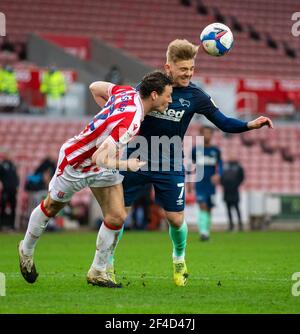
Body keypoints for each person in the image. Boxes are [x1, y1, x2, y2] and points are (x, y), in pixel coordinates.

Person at [111, 39, 273, 287]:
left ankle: (179, 259)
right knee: (117, 216)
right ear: (169, 67)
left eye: (191, 68)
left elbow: (223, 122)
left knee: (175, 219)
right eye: (183, 68)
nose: (188, 73)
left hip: (170, 161)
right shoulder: (148, 88)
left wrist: (250, 124)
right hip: (137, 157)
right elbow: (122, 111)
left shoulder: (196, 96)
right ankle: (106, 264)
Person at [18, 70, 173, 288]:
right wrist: (127, 164)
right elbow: (98, 157)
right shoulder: (131, 122)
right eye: (168, 95)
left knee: (117, 216)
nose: (171, 100)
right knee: (52, 207)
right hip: (77, 161)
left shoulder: (126, 92)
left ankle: (98, 271)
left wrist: (108, 118)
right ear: (155, 95)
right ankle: (26, 250)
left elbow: (95, 86)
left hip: (102, 166)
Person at [191, 126, 222, 241]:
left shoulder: (216, 151)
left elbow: (221, 165)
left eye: (209, 133)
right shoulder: (195, 150)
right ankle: (203, 232)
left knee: (209, 208)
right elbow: (190, 166)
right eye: (204, 133)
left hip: (211, 184)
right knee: (202, 205)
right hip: (200, 183)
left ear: (212, 135)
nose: (207, 135)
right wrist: (189, 182)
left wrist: (218, 174)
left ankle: (206, 232)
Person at [220, 152, 245, 231]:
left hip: (234, 191)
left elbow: (242, 178)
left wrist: (236, 184)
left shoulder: (239, 167)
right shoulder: (225, 167)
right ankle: (231, 225)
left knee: (237, 208)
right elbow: (221, 177)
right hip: (226, 191)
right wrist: (223, 184)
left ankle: (240, 225)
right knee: (228, 209)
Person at [0, 149, 19, 230]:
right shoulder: (2, 165)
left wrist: (17, 185)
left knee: (13, 207)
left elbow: (16, 177)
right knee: (3, 207)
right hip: (5, 189)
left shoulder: (13, 165)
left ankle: (12, 226)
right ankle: (1, 225)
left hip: (13, 190)